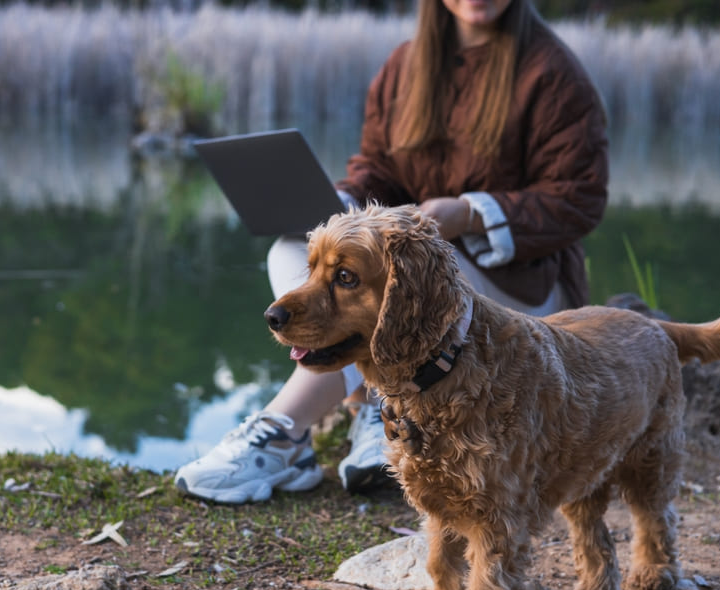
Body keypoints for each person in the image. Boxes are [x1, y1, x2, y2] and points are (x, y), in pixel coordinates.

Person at [174, 0, 608, 504]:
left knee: (411, 272)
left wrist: (468, 213)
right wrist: (340, 204)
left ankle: (283, 432)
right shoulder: (407, 65)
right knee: (293, 251)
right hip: (420, 263)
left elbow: (579, 198)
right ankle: (378, 409)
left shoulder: (552, 73)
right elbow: (377, 170)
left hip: (519, 284)